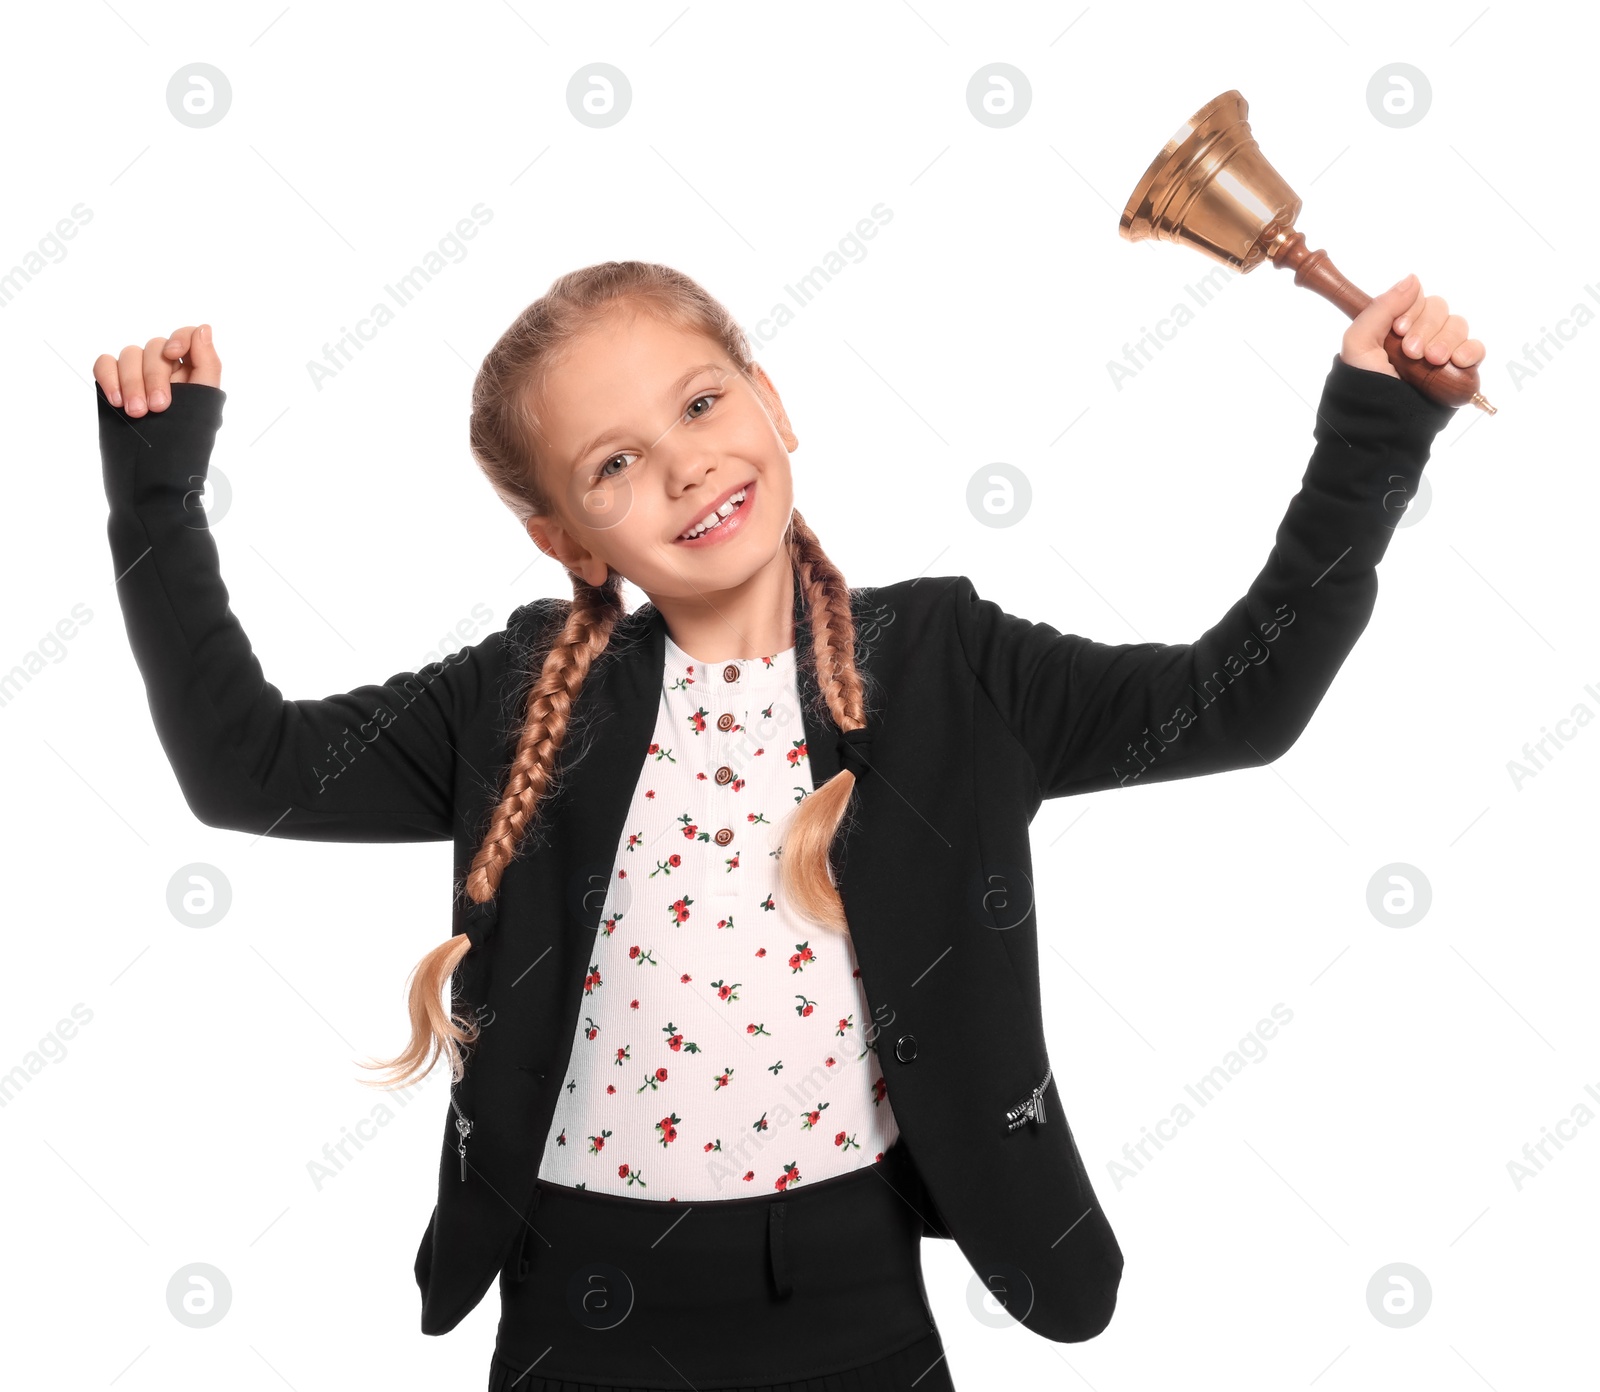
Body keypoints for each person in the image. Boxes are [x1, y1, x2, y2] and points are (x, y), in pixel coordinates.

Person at [94, 263, 1484, 1390]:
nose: (688, 469)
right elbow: (245, 767)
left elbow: (1234, 706)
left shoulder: (948, 662)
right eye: (616, 465)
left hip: (850, 1297)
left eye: (702, 404)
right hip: (586, 1308)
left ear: (772, 398)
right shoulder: (517, 693)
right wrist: (156, 493)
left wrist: (1375, 434)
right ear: (568, 541)